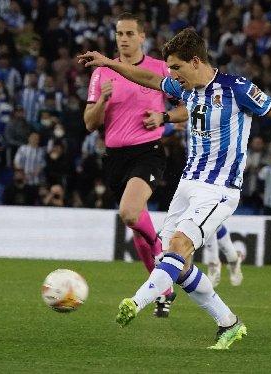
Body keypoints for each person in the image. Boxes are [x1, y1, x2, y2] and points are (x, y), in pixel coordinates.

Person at [79, 28, 271, 349]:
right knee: (179, 266)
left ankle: (136, 302)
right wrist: (108, 62)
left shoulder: (238, 89)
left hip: (219, 188)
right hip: (188, 185)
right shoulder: (188, 90)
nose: (172, 76)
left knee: (178, 247)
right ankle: (228, 322)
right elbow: (148, 78)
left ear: (195, 61)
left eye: (176, 68)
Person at [83, 13, 177, 318]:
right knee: (136, 227)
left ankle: (164, 255)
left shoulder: (160, 70)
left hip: (147, 152)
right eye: (119, 34)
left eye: (128, 33)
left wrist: (163, 117)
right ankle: (162, 289)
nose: (122, 38)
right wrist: (102, 102)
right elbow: (88, 123)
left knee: (129, 212)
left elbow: (191, 105)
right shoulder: (102, 73)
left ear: (141, 37)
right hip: (115, 158)